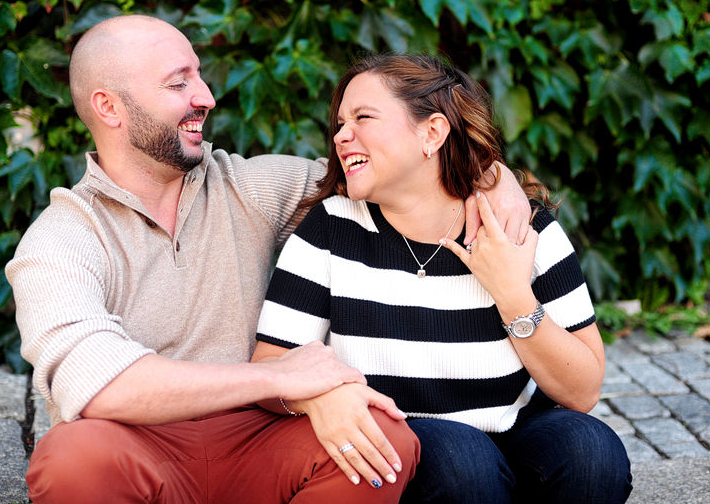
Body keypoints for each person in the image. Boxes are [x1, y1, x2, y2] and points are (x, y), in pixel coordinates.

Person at [6, 15, 531, 503]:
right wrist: (280, 378)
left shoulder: (249, 187)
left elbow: (400, 173)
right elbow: (97, 384)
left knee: (384, 439)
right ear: (108, 107)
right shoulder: (61, 240)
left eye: (200, 78)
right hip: (136, 444)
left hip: (259, 441)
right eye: (178, 83)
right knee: (70, 457)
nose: (206, 97)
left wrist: (492, 175)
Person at [253, 54, 633, 504]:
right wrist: (323, 399)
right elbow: (269, 368)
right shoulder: (331, 228)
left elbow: (583, 390)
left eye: (363, 117)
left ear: (432, 132)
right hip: (404, 439)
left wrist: (511, 294)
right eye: (338, 123)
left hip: (514, 428)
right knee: (463, 463)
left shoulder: (519, 227)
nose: (340, 136)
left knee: (591, 452)